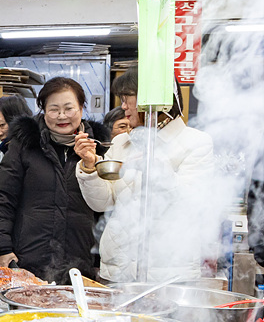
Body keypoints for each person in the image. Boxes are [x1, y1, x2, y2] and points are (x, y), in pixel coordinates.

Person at [76, 69, 214, 282]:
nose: (123, 107)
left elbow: (192, 203)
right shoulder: (122, 142)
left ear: (153, 100)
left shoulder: (196, 143)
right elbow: (101, 203)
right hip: (117, 271)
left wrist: (158, 168)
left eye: (126, 99)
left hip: (168, 275)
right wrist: (89, 167)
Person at [0, 76, 110, 283]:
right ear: (43, 111)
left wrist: (100, 260)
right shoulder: (23, 145)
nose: (62, 116)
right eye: (53, 109)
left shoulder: (100, 148)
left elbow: (105, 209)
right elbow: (3, 199)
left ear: (81, 108)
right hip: (29, 261)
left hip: (80, 262)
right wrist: (2, 249)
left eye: (69, 108)